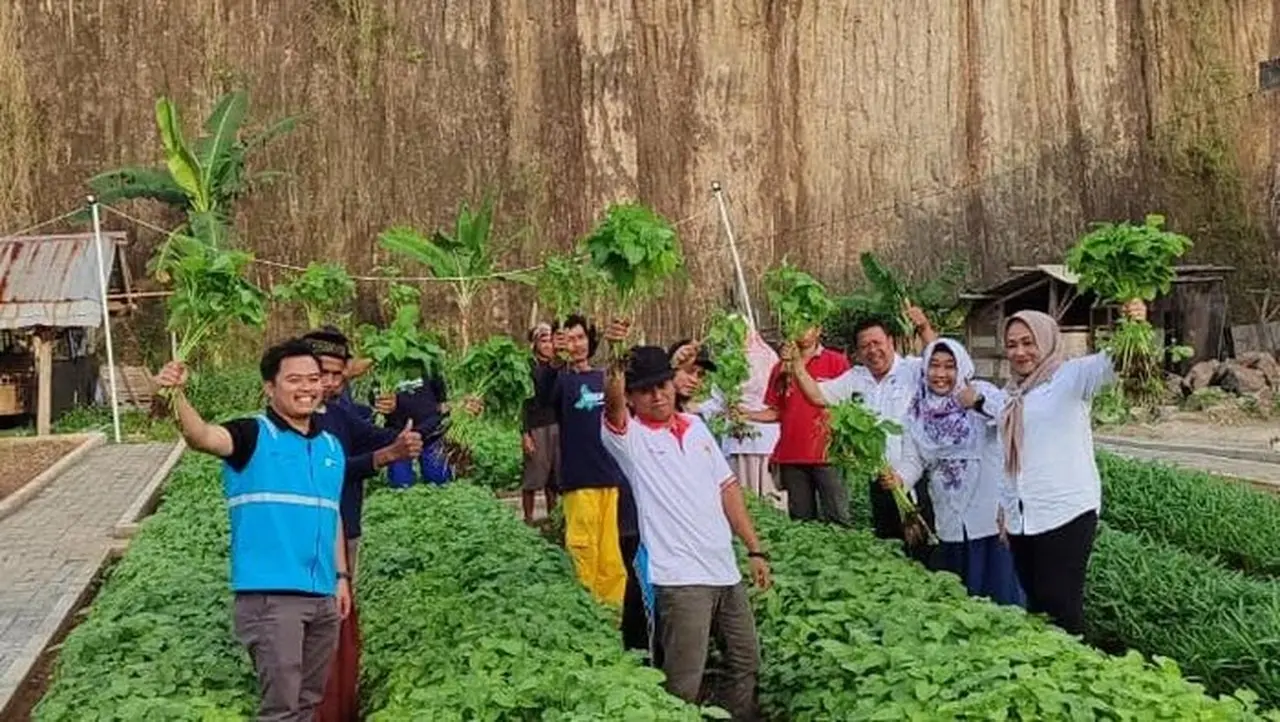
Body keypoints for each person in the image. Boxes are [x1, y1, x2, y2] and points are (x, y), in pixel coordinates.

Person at [154, 340, 351, 722]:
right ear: (269, 387)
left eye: (313, 379)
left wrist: (341, 577)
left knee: (309, 702)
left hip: (323, 595)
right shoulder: (252, 435)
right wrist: (175, 395)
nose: (307, 387)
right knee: (280, 708)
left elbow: (332, 516)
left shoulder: (331, 447)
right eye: (294, 380)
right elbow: (203, 437)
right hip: (272, 599)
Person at [601, 331, 770, 721]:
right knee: (683, 681)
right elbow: (612, 407)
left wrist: (755, 548)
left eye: (661, 385)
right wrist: (614, 363)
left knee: (745, 660)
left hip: (725, 570)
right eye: (644, 391)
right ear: (631, 397)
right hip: (679, 578)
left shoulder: (696, 428)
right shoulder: (630, 439)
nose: (657, 396)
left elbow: (727, 489)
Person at [995, 301, 1144, 634]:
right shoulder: (1013, 393)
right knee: (1036, 604)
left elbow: (1117, 362)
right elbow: (1009, 459)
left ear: (1047, 340)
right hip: (1023, 518)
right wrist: (1005, 507)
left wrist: (1133, 324)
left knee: (1060, 604)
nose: (1020, 352)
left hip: (1066, 513)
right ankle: (1046, 673)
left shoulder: (1072, 376)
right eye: (1012, 344)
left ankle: (1074, 676)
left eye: (1028, 342)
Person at [885, 338, 1025, 607]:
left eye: (949, 367)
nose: (940, 374)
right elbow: (914, 460)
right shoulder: (917, 411)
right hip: (949, 517)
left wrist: (979, 402)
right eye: (934, 366)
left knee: (1000, 599)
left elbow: (1013, 419)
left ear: (961, 368)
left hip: (990, 517)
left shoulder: (979, 392)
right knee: (960, 601)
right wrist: (899, 479)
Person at [785, 310, 937, 540]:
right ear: (857, 352)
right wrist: (797, 365)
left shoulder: (913, 370)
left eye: (877, 343)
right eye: (865, 346)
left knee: (925, 545)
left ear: (891, 342)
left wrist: (924, 328)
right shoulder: (856, 378)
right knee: (890, 545)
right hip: (881, 480)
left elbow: (939, 359)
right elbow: (817, 396)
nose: (873, 351)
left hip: (916, 477)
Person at [302, 327, 422, 577]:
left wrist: (448, 414)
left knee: (343, 605)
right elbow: (325, 470)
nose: (331, 383)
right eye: (323, 374)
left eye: (338, 375)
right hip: (305, 532)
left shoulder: (338, 412)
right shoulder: (290, 422)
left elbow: (377, 437)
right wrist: (385, 456)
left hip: (347, 524)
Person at [533, 314, 628, 606]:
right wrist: (553, 361)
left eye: (580, 338)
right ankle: (587, 612)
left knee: (612, 556)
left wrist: (617, 347)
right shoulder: (562, 380)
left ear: (590, 340)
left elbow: (623, 400)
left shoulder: (603, 378)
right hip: (579, 479)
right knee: (583, 551)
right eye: (569, 339)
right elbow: (543, 394)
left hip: (611, 477)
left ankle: (614, 616)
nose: (575, 345)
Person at [745, 324, 852, 525]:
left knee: (838, 518)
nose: (802, 330)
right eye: (796, 326)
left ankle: (843, 554)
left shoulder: (835, 362)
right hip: (792, 455)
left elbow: (849, 407)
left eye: (808, 325)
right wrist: (746, 414)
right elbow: (776, 411)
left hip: (828, 454)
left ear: (819, 329)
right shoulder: (780, 368)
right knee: (801, 521)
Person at [374, 366, 452, 488]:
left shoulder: (427, 364)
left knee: (440, 482)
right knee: (401, 485)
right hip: (398, 437)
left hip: (431, 433)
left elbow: (441, 399)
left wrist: (444, 413)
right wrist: (381, 402)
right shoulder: (386, 367)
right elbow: (375, 397)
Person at [521, 322, 560, 525]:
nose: (548, 345)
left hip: (557, 424)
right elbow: (523, 402)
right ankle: (528, 519)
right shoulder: (528, 367)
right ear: (535, 344)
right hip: (536, 425)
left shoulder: (561, 365)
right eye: (543, 340)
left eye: (551, 340)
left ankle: (553, 519)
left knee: (554, 478)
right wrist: (524, 433)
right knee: (533, 476)